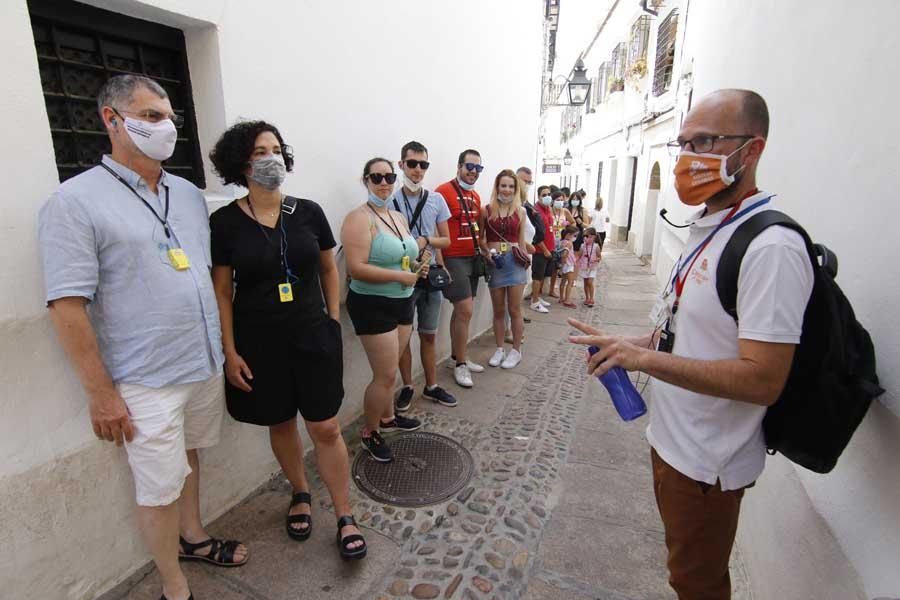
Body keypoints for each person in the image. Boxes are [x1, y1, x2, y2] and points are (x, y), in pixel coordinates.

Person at [570, 90, 812, 600]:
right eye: (683, 143)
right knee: (685, 573)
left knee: (696, 584)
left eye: (703, 141)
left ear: (751, 150)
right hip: (674, 444)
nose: (686, 158)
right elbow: (692, 334)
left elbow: (763, 378)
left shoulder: (770, 246)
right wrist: (630, 342)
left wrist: (645, 359)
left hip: (709, 462)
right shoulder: (713, 226)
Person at [38, 75, 248, 600]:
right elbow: (66, 306)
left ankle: (193, 537)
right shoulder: (75, 201)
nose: (167, 126)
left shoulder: (187, 194)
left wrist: (221, 352)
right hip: (145, 379)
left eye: (170, 116)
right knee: (156, 487)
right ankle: (174, 587)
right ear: (112, 120)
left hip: (199, 362)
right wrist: (101, 393)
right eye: (151, 116)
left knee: (191, 455)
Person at [208, 121, 365, 560]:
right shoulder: (224, 222)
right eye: (260, 151)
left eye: (276, 149)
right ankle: (299, 492)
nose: (271, 158)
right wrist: (230, 350)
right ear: (242, 163)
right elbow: (222, 290)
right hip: (258, 340)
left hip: (313, 334)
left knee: (326, 426)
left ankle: (344, 514)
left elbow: (329, 268)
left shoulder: (309, 211)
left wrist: (333, 320)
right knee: (280, 421)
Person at [341, 158, 429, 463]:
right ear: (365, 180)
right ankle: (370, 431)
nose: (384, 182)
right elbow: (356, 268)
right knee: (385, 374)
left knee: (390, 372)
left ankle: (389, 418)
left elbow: (405, 255)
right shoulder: (358, 218)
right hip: (372, 303)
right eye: (376, 177)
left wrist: (417, 266)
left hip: (403, 300)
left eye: (389, 176)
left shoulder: (397, 216)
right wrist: (399, 276)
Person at [392, 141, 457, 412]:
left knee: (429, 334)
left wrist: (425, 240)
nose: (418, 170)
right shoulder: (391, 201)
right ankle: (407, 385)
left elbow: (447, 240)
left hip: (431, 277)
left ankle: (431, 385)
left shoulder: (436, 199)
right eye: (412, 163)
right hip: (403, 278)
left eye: (423, 164)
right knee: (402, 338)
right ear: (401, 165)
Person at [435, 150, 486, 388]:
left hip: (471, 258)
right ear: (459, 166)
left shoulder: (475, 196)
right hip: (452, 258)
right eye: (469, 166)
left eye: (478, 168)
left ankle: (458, 356)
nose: (473, 172)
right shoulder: (442, 192)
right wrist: (440, 263)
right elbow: (434, 228)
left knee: (462, 311)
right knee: (465, 309)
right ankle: (460, 365)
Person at [481, 169, 530, 369]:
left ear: (515, 189)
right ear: (497, 186)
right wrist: (487, 254)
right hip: (495, 263)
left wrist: (526, 263)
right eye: (504, 185)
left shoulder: (521, 211)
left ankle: (516, 351)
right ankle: (500, 348)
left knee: (515, 309)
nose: (507, 190)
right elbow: (481, 239)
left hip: (514, 262)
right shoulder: (486, 210)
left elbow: (521, 242)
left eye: (511, 186)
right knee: (499, 309)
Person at [528, 185, 555, 313]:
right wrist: (544, 249)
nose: (547, 197)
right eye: (544, 195)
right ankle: (534, 301)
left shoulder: (548, 209)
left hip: (549, 248)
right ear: (538, 197)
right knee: (537, 277)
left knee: (543, 275)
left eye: (549, 194)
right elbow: (536, 234)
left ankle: (538, 297)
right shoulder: (536, 211)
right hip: (540, 250)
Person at [548, 190, 574, 298]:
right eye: (558, 200)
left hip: (560, 241)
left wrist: (566, 225)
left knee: (556, 267)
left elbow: (573, 222)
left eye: (562, 200)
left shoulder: (565, 211)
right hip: (550, 240)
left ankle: (552, 289)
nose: (560, 202)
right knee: (547, 266)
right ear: (553, 201)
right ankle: (540, 289)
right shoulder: (549, 210)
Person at [578, 226, 601, 307]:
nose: (587, 238)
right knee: (585, 283)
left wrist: (595, 260)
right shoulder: (582, 246)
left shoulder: (596, 246)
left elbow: (599, 257)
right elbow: (579, 255)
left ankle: (592, 298)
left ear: (594, 237)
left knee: (590, 282)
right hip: (584, 267)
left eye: (589, 237)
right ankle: (587, 298)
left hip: (592, 267)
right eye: (586, 236)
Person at [557, 225, 578, 308]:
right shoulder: (569, 243)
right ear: (569, 234)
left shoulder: (562, 241)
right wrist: (563, 264)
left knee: (563, 282)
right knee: (570, 282)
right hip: (568, 264)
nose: (575, 238)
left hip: (565, 264)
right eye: (575, 235)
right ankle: (567, 300)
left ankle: (561, 298)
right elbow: (565, 254)